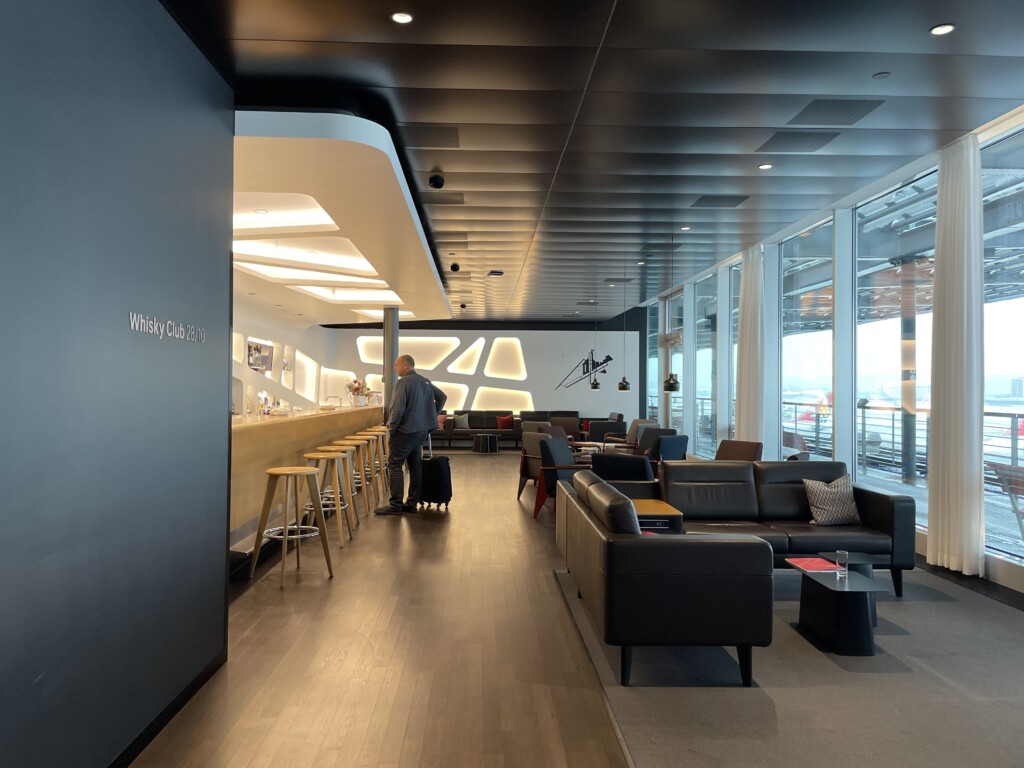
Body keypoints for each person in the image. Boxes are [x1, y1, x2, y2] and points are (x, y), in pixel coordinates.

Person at [375, 354, 447, 515]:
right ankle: (412, 503)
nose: (395, 368)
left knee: (394, 465)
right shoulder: (424, 381)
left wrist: (391, 428)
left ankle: (395, 505)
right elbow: (442, 397)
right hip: (420, 431)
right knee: (415, 466)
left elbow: (397, 409)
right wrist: (431, 416)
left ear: (406, 366)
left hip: (405, 432)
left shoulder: (403, 383)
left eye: (396, 365)